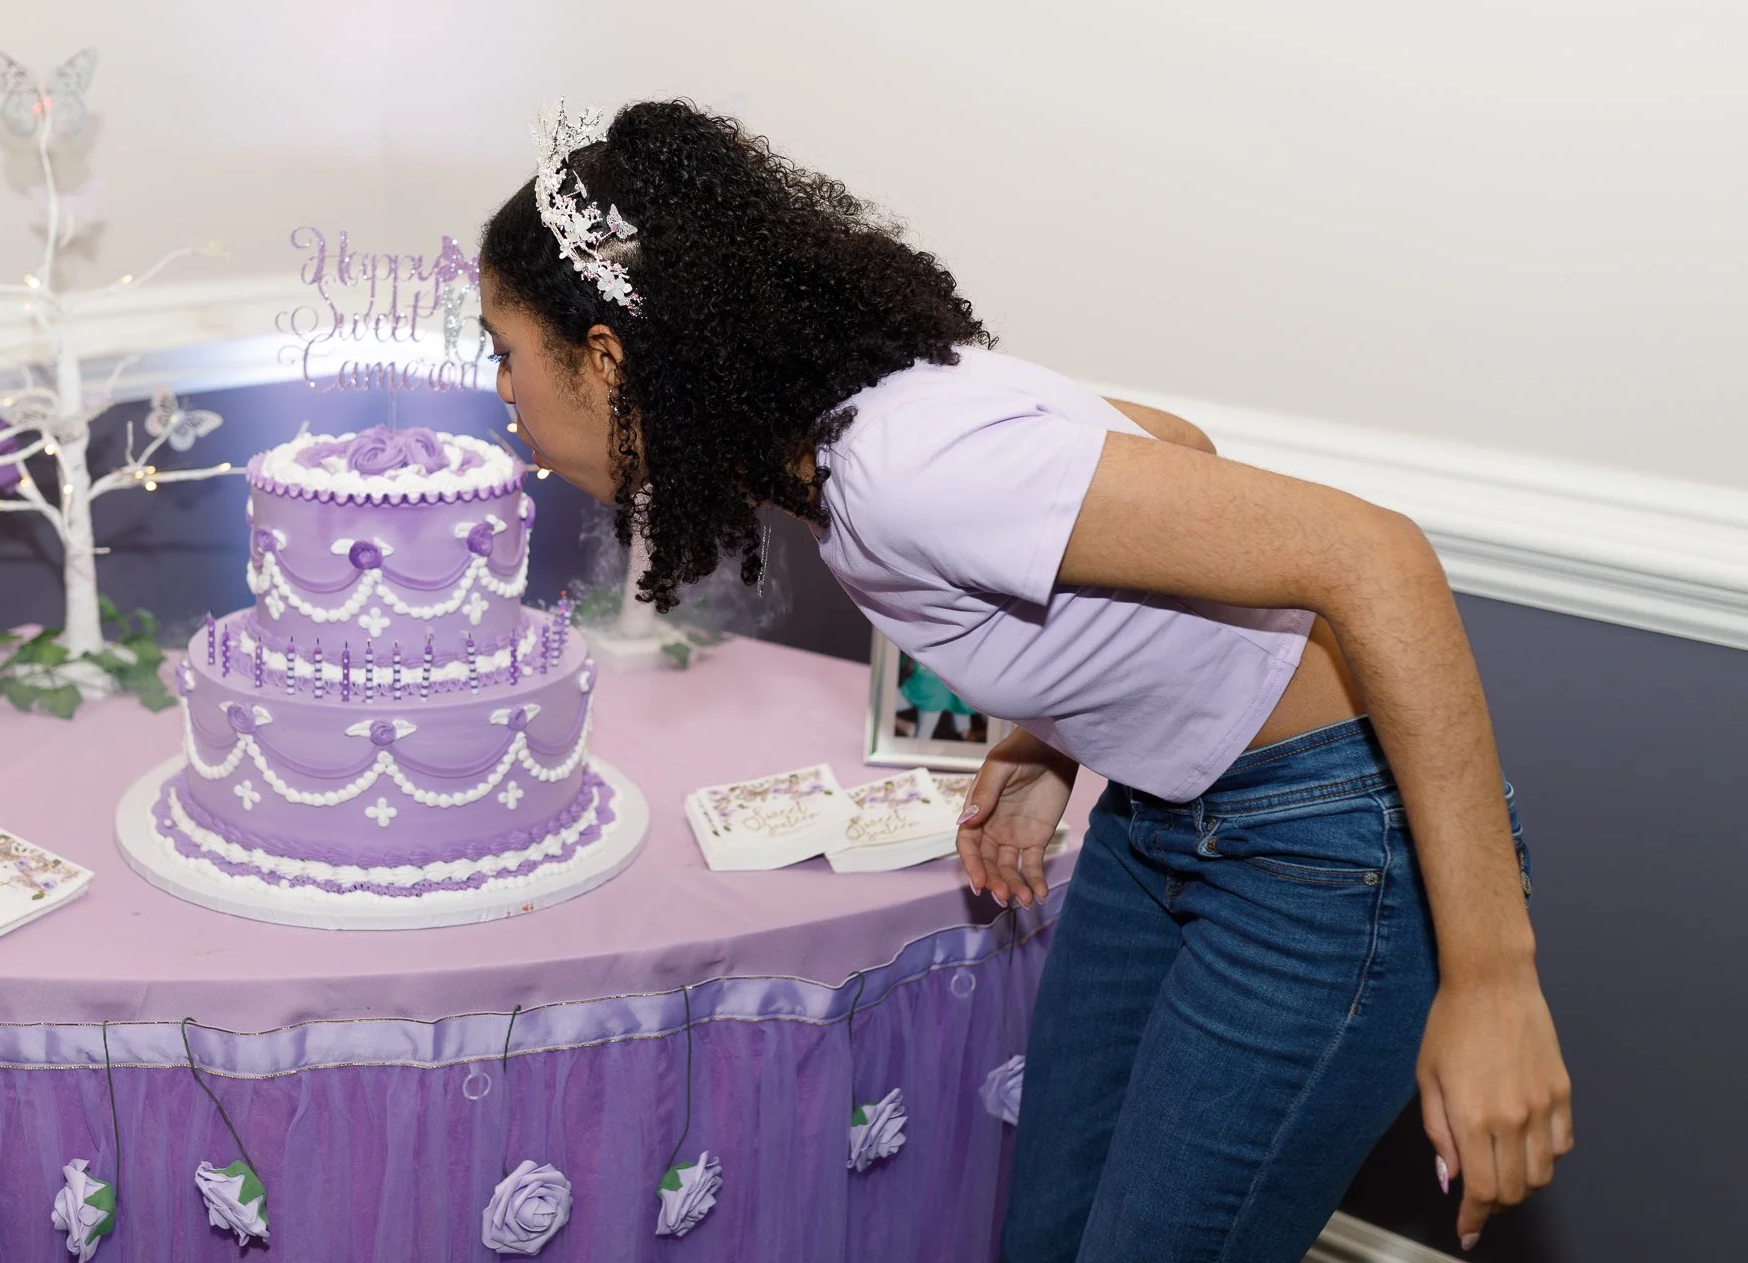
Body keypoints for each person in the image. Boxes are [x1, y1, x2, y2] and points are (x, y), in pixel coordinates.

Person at [476, 100, 1570, 1262]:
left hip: (1326, 853)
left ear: (607, 356)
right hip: (1167, 819)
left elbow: (1376, 558)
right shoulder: (865, 429)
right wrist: (1055, 736)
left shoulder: (903, 471)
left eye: (506, 350)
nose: (503, 394)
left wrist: (1495, 984)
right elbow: (1176, 446)